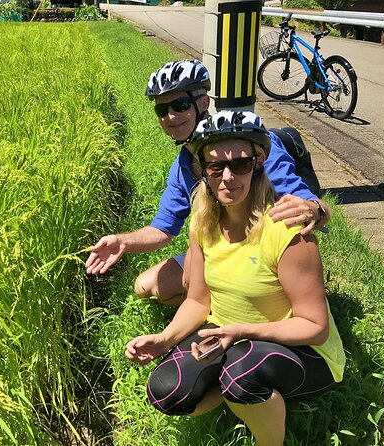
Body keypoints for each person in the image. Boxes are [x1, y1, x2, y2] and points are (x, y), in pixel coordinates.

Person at [124, 111, 345, 445]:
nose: (228, 177)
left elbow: (315, 326)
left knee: (241, 376)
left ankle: (266, 432)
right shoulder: (204, 225)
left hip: (303, 348)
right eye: (216, 167)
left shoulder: (288, 231)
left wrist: (242, 331)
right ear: (202, 171)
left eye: (240, 164)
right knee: (167, 391)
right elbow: (198, 300)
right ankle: (241, 398)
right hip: (230, 337)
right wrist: (166, 338)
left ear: (257, 164)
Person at [84, 60, 331, 306]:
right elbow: (162, 229)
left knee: (195, 269)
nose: (170, 116)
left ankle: (254, 302)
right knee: (146, 286)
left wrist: (316, 210)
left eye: (180, 105)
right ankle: (224, 302)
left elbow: (309, 204)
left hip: (264, 245)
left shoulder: (248, 146)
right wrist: (122, 242)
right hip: (224, 245)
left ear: (203, 103)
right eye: (162, 110)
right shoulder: (183, 166)